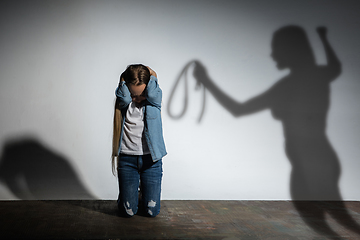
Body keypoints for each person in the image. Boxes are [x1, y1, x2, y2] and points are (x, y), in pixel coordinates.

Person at [112, 64, 167, 217]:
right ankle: (128, 195)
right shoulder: (125, 104)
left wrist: (153, 74)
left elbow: (151, 92)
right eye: (133, 95)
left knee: (151, 212)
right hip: (127, 161)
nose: (137, 99)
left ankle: (143, 193)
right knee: (127, 212)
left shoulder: (153, 102)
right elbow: (122, 96)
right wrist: (122, 77)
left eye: (142, 94)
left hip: (151, 162)